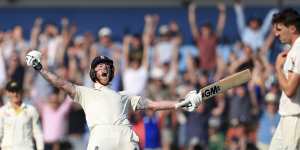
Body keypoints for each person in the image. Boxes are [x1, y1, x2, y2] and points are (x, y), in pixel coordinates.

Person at [25, 50, 202, 150]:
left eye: (108, 67)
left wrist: (180, 103)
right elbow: (61, 83)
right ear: (94, 73)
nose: (105, 69)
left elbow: (153, 105)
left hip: (125, 137)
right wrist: (40, 68)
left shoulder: (124, 95)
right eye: (100, 66)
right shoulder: (84, 92)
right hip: (101, 138)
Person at [269, 8, 300, 149]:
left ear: (292, 28)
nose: (276, 34)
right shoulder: (293, 50)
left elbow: (289, 90)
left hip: (295, 118)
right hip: (286, 117)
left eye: (279, 29)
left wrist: (278, 68)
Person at [0, 80, 44, 150]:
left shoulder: (31, 110)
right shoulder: (2, 111)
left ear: (22, 92)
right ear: (7, 93)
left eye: (17, 91)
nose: (15, 94)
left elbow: (38, 134)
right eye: (12, 91)